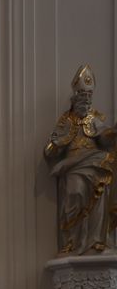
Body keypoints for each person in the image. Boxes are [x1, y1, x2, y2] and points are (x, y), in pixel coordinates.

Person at [45, 63, 117, 254]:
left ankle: (97, 241)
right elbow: (50, 151)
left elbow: (104, 138)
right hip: (73, 166)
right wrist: (58, 143)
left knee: (101, 193)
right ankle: (73, 242)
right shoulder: (66, 120)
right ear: (75, 97)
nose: (85, 99)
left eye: (88, 96)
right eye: (82, 95)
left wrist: (113, 131)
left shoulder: (95, 117)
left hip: (94, 162)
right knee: (74, 194)